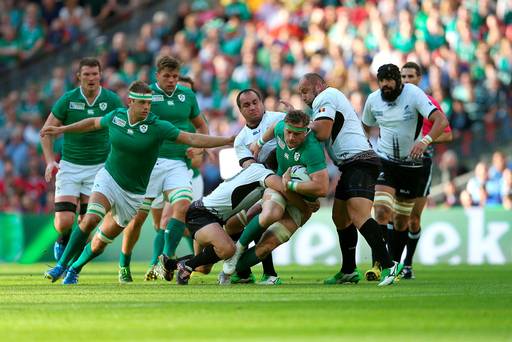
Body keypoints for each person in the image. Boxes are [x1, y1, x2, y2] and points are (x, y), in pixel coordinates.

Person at [42, 81, 233, 284]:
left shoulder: (158, 127)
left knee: (99, 243)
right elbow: (91, 123)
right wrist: (62, 129)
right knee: (90, 219)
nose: (146, 108)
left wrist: (227, 140)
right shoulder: (116, 117)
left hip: (133, 194)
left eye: (149, 104)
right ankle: (60, 265)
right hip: (108, 179)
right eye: (142, 103)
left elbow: (192, 139)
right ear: (131, 102)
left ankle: (75, 268)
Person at [294, 73, 401, 286]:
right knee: (340, 217)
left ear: (320, 86)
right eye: (300, 93)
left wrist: (300, 126)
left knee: (358, 214)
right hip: (351, 164)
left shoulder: (327, 95)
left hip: (359, 161)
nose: (303, 96)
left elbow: (323, 132)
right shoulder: (321, 105)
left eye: (306, 90)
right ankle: (349, 270)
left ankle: (390, 265)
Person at [118, 56, 209, 283]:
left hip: (178, 164)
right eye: (166, 76)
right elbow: (129, 124)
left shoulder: (187, 96)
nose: (171, 80)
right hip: (148, 165)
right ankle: (124, 265)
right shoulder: (146, 95)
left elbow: (201, 125)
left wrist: (198, 150)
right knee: (139, 219)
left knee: (181, 208)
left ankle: (165, 259)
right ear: (157, 75)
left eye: (175, 76)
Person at [361, 63, 449, 280]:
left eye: (389, 84)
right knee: (381, 212)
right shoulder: (373, 99)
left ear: (399, 83)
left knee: (401, 221)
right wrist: (367, 147)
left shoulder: (414, 94)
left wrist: (426, 141)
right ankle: (378, 266)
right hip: (385, 162)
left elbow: (441, 121)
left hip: (412, 166)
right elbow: (365, 125)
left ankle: (397, 265)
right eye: (382, 84)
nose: (385, 88)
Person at [226, 110, 329, 284]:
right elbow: (274, 127)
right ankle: (237, 250)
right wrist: (259, 142)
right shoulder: (281, 127)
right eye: (289, 132)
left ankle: (232, 269)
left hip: (302, 202)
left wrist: (291, 185)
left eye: (297, 134)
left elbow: (322, 188)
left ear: (306, 131)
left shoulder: (312, 150)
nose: (290, 138)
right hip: (279, 189)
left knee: (267, 245)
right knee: (269, 214)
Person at [40, 57, 123, 262]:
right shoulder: (68, 99)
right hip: (70, 166)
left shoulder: (112, 100)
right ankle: (63, 239)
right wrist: (50, 160)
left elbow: (123, 130)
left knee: (88, 222)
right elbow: (46, 131)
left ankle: (72, 266)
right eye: (87, 74)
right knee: (63, 222)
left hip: (99, 169)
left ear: (100, 75)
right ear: (79, 76)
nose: (91, 78)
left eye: (95, 74)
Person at [159, 162, 289, 285]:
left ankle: (170, 264)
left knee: (204, 267)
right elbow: (285, 188)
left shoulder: (255, 170)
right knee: (228, 249)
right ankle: (186, 266)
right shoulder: (265, 174)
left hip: (213, 218)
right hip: (201, 214)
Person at [398, 61, 453, 279]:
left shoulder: (428, 102)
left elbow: (447, 134)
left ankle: (408, 263)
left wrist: (425, 141)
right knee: (393, 214)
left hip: (421, 163)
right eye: (403, 77)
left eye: (411, 76)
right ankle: (391, 262)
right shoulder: (394, 102)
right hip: (397, 162)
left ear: (419, 79)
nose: (407, 81)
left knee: (413, 218)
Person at [229, 88, 285, 284]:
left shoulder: (279, 118)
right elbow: (250, 168)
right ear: (240, 110)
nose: (252, 107)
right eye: (246, 105)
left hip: (290, 181)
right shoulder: (241, 140)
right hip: (264, 183)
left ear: (262, 103)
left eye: (255, 102)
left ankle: (262, 272)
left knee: (255, 217)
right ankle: (249, 273)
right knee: (233, 222)